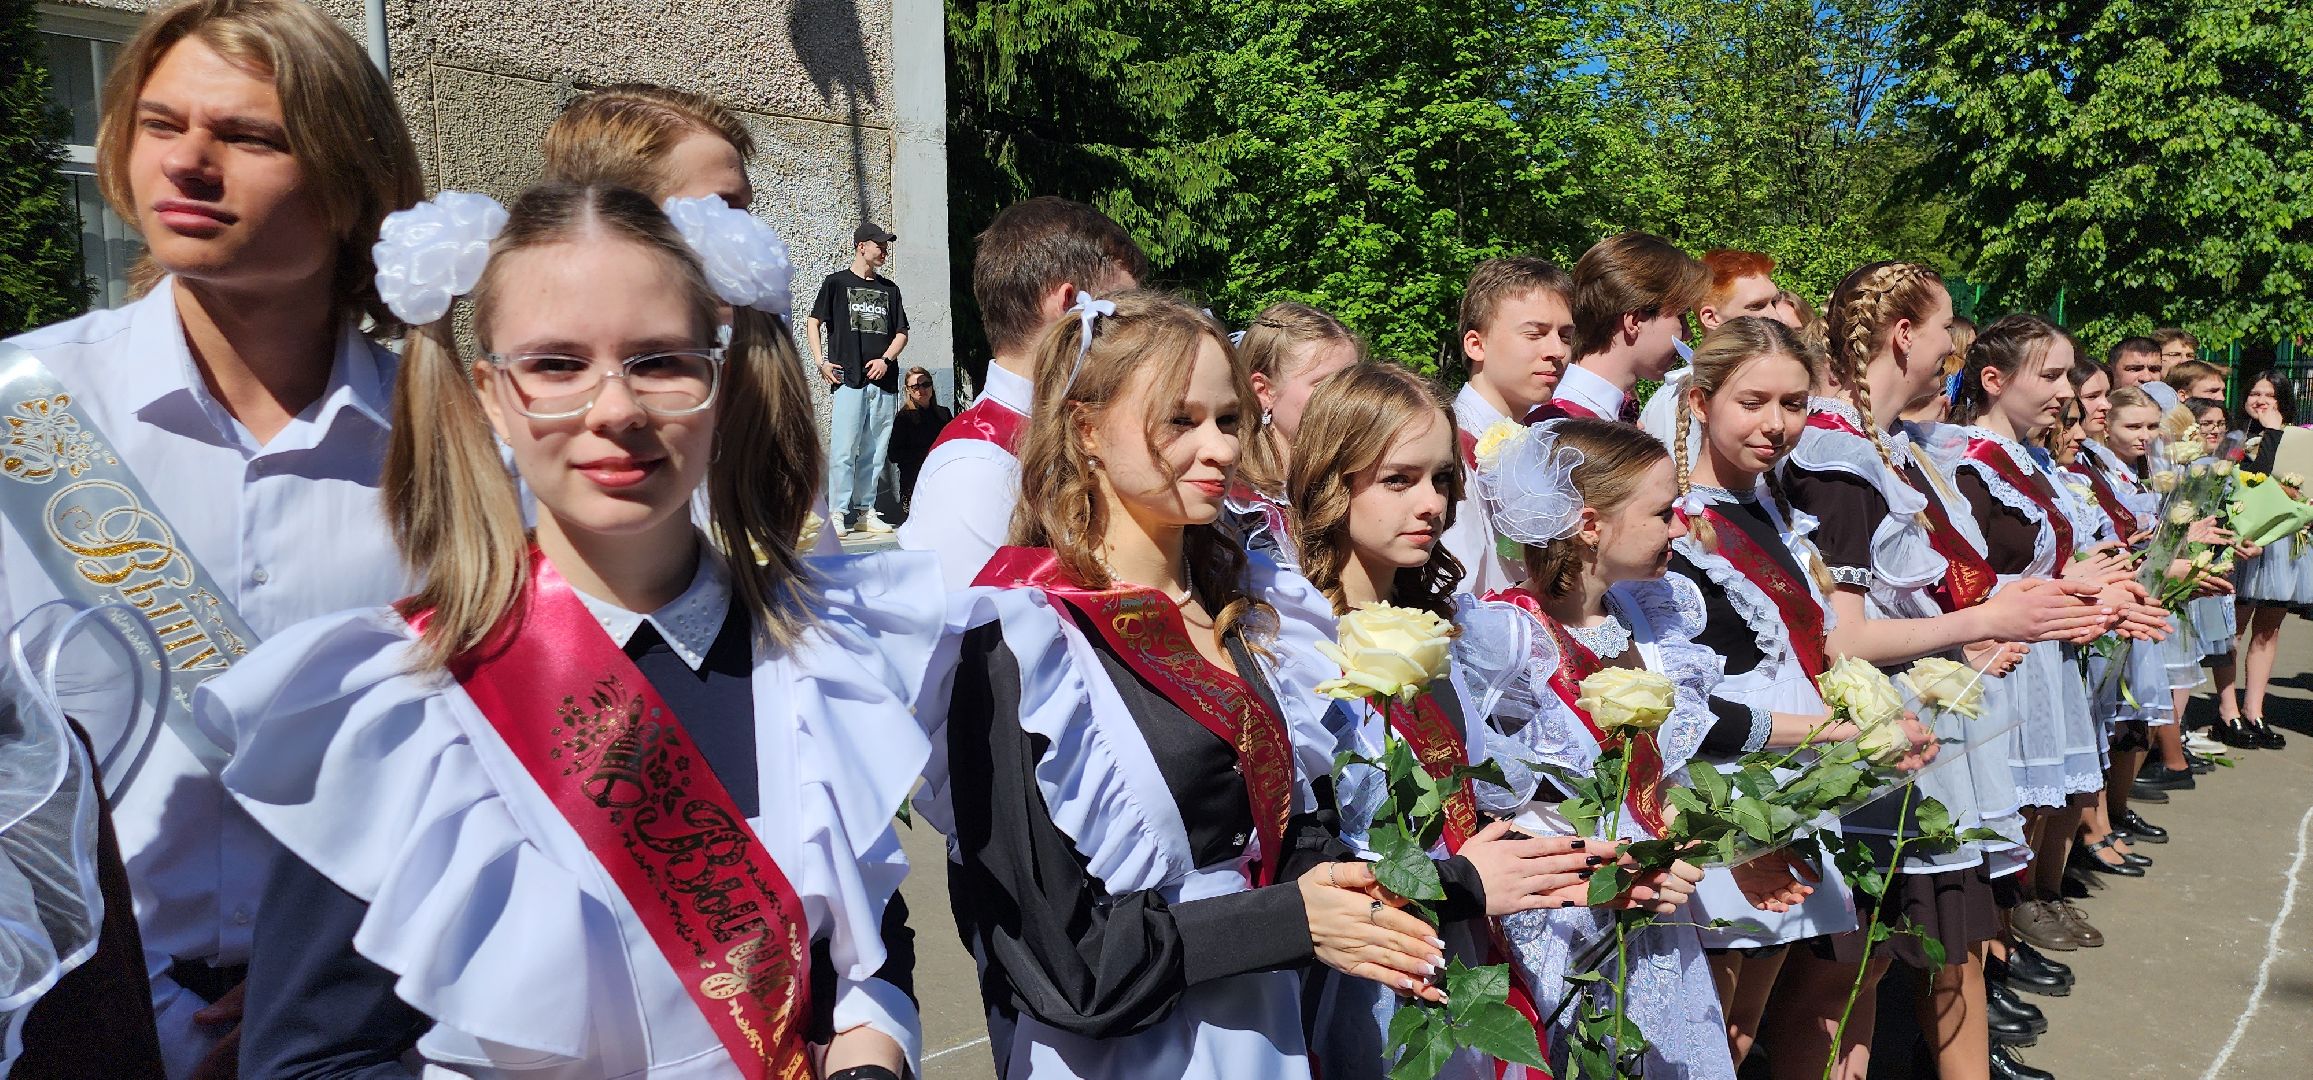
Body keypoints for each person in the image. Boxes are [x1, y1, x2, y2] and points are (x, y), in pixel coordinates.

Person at [204, 183, 932, 1077]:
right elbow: (312, 1062)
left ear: (719, 381)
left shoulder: (815, 654)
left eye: (660, 360)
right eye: (555, 365)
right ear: (492, 397)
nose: (615, 409)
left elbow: (867, 942)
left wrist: (874, 1053)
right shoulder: (399, 708)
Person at [0, 1, 423, 1072]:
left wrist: (375, 985)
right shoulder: (20, 417)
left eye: (247, 136)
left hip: (357, 1033)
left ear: (349, 182)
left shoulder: (454, 447)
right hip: (69, 1027)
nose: (186, 163)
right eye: (159, 123)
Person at [915, 291, 1439, 1078]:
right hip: (1127, 1053)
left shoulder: (1240, 605)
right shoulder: (1022, 635)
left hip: (1267, 1032)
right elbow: (1062, 960)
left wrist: (1443, 886)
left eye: (1229, 421)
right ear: (1086, 429)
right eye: (1178, 420)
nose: (1219, 449)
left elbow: (1281, 841)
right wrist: (1287, 921)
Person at [1778, 264, 2105, 1080]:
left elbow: (1914, 596)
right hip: (1877, 733)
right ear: (1902, 335)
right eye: (1943, 326)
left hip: (1917, 722)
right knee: (1846, 961)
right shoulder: (1835, 454)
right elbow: (1842, 636)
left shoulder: (1878, 446)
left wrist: (1995, 623)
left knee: (1884, 952)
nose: (1951, 343)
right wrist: (1983, 623)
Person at [1285, 362, 1599, 1079]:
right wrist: (1453, 878)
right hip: (1361, 970)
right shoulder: (1293, 643)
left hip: (1460, 943)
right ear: (1332, 481)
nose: (1429, 504)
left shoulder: (1447, 630)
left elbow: (1480, 799)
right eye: (1398, 480)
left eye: (1440, 481)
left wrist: (1573, 865)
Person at [1462, 417, 1740, 1079]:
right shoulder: (1506, 641)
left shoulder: (1645, 616)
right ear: (1590, 525)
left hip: (1650, 907)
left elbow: (1659, 776)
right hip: (1564, 918)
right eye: (1661, 511)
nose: (1679, 527)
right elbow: (1485, 798)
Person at [1662, 318, 1876, 1070]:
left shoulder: (1781, 512)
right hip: (1719, 787)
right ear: (1699, 403)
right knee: (1703, 1022)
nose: (1775, 424)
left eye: (1793, 404)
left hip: (1799, 774)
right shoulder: (1675, 530)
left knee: (1745, 1017)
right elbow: (1669, 698)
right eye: (1753, 401)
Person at [539, 81, 844, 556]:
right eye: (723, 209)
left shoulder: (749, 377)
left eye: (747, 210)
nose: (748, 236)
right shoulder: (554, 427)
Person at [899, 197, 1149, 589]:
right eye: (1121, 313)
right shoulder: (977, 467)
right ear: (1068, 305)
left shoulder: (1079, 425)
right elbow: (976, 639)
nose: (1137, 335)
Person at [1439, 257, 1577, 597]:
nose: (1557, 351)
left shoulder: (1539, 439)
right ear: (1477, 344)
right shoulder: (1448, 445)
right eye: (1535, 334)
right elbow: (1459, 586)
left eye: (1566, 336)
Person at [1227, 302, 1362, 568]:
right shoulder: (1235, 503)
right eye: (1325, 385)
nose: (1349, 400)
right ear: (1263, 391)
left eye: (1354, 384)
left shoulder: (1356, 480)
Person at [1533, 233, 1707, 424]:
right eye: (1681, 316)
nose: (1688, 334)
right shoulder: (1564, 422)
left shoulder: (1607, 411)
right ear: (1634, 321)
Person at [808, 223, 911, 538]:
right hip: (848, 379)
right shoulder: (836, 283)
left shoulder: (890, 290)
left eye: (886, 245)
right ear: (861, 246)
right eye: (879, 245)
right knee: (844, 449)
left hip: (883, 383)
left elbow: (902, 332)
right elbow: (814, 321)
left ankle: (866, 511)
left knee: (875, 450)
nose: (884, 250)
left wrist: (886, 360)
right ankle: (838, 512)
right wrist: (820, 362)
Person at [1639, 249, 1800, 444]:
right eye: (1756, 306)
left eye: (1774, 303)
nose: (1777, 317)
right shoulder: (1677, 399)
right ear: (1711, 318)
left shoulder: (1783, 384)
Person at [2232, 371, 2303, 748]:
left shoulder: (2300, 437)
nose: (2261, 400)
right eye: (2255, 392)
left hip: (2283, 543)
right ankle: (2227, 711)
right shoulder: (2236, 435)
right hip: (2246, 541)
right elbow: (2254, 477)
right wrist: (2271, 433)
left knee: (2269, 628)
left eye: (2270, 394)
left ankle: (2254, 710)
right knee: (2234, 626)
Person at [888, 365, 953, 518]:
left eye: (925, 385)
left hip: (941, 480)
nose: (921, 390)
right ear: (908, 390)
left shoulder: (944, 414)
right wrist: (925, 454)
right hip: (915, 483)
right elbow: (894, 454)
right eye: (915, 387)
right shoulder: (904, 417)